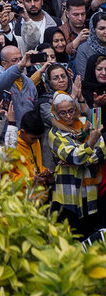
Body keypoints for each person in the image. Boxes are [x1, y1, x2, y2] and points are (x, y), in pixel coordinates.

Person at [48, 93, 106, 236]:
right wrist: (90, 143)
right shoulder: (54, 133)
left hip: (90, 191)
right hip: (68, 194)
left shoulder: (85, 123)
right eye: (63, 112)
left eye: (71, 111)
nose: (68, 116)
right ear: (56, 113)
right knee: (73, 238)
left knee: (91, 235)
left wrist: (82, 160)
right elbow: (74, 156)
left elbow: (102, 150)